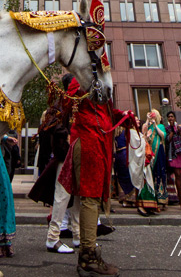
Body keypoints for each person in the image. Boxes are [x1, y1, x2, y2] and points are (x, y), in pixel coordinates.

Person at [57, 77, 134, 276]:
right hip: (89, 143)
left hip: (96, 142)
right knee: (90, 199)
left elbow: (104, 114)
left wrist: (123, 116)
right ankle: (88, 257)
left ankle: (87, 253)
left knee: (91, 199)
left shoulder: (97, 79)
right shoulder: (82, 78)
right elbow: (70, 100)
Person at [28, 74, 78, 254]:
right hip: (64, 158)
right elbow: (53, 126)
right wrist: (66, 139)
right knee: (62, 196)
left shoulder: (74, 104)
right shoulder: (61, 105)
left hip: (75, 157)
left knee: (77, 197)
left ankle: (78, 236)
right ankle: (53, 237)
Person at [142, 109, 168, 209]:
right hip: (150, 152)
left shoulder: (160, 126)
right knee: (150, 173)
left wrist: (155, 125)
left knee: (160, 172)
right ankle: (151, 197)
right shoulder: (147, 125)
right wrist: (148, 121)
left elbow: (163, 135)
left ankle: (161, 197)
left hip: (159, 150)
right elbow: (143, 132)